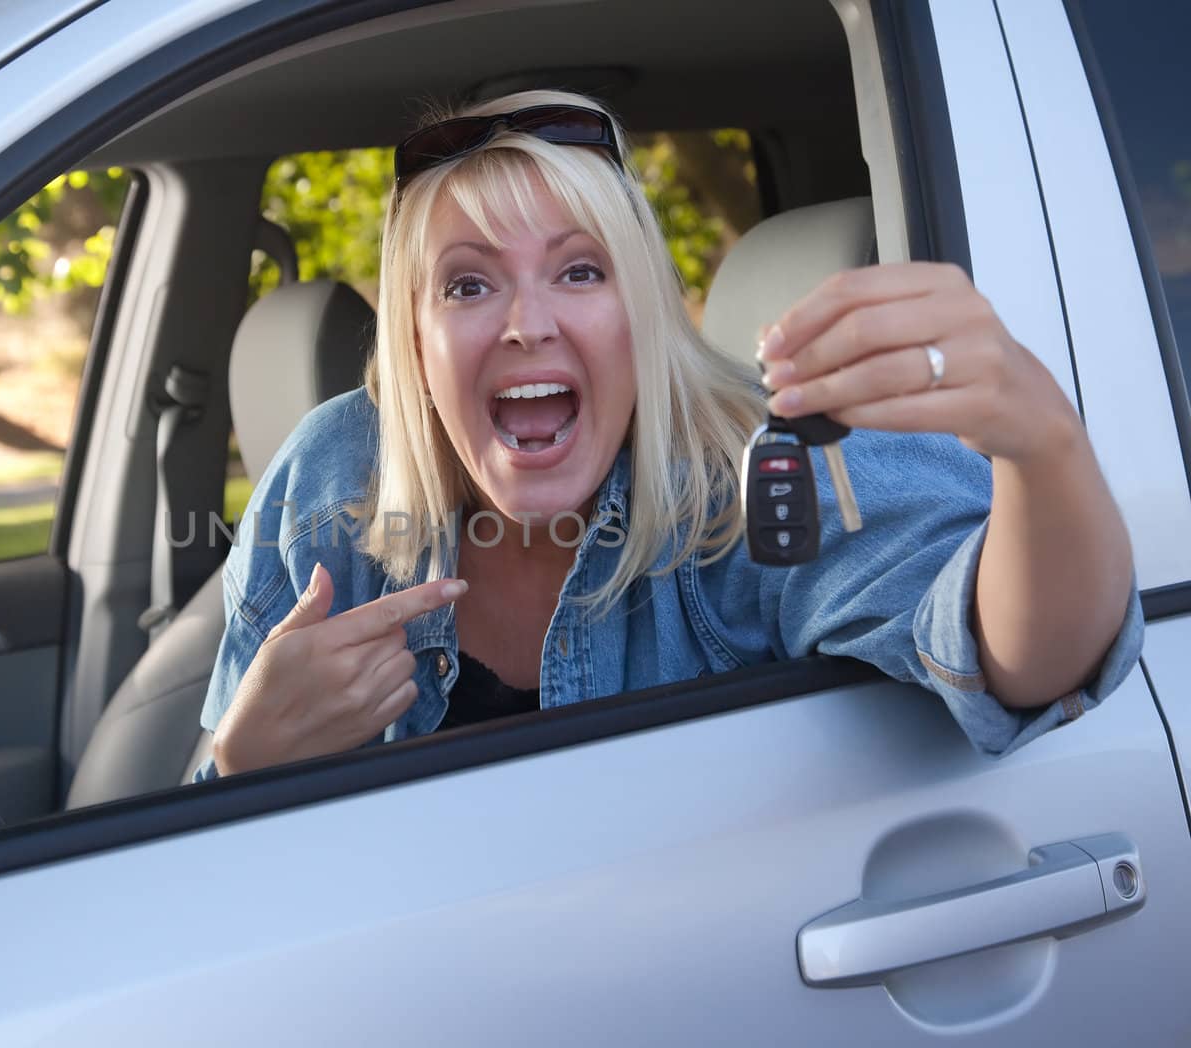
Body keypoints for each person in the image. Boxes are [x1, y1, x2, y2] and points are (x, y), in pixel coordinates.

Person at [196, 89, 1142, 779]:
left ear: (641, 314)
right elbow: (204, 886)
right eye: (469, 285)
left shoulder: (762, 470)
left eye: (578, 272)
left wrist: (1041, 441)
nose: (528, 324)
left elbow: (1023, 660)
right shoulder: (329, 480)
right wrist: (242, 765)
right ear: (414, 336)